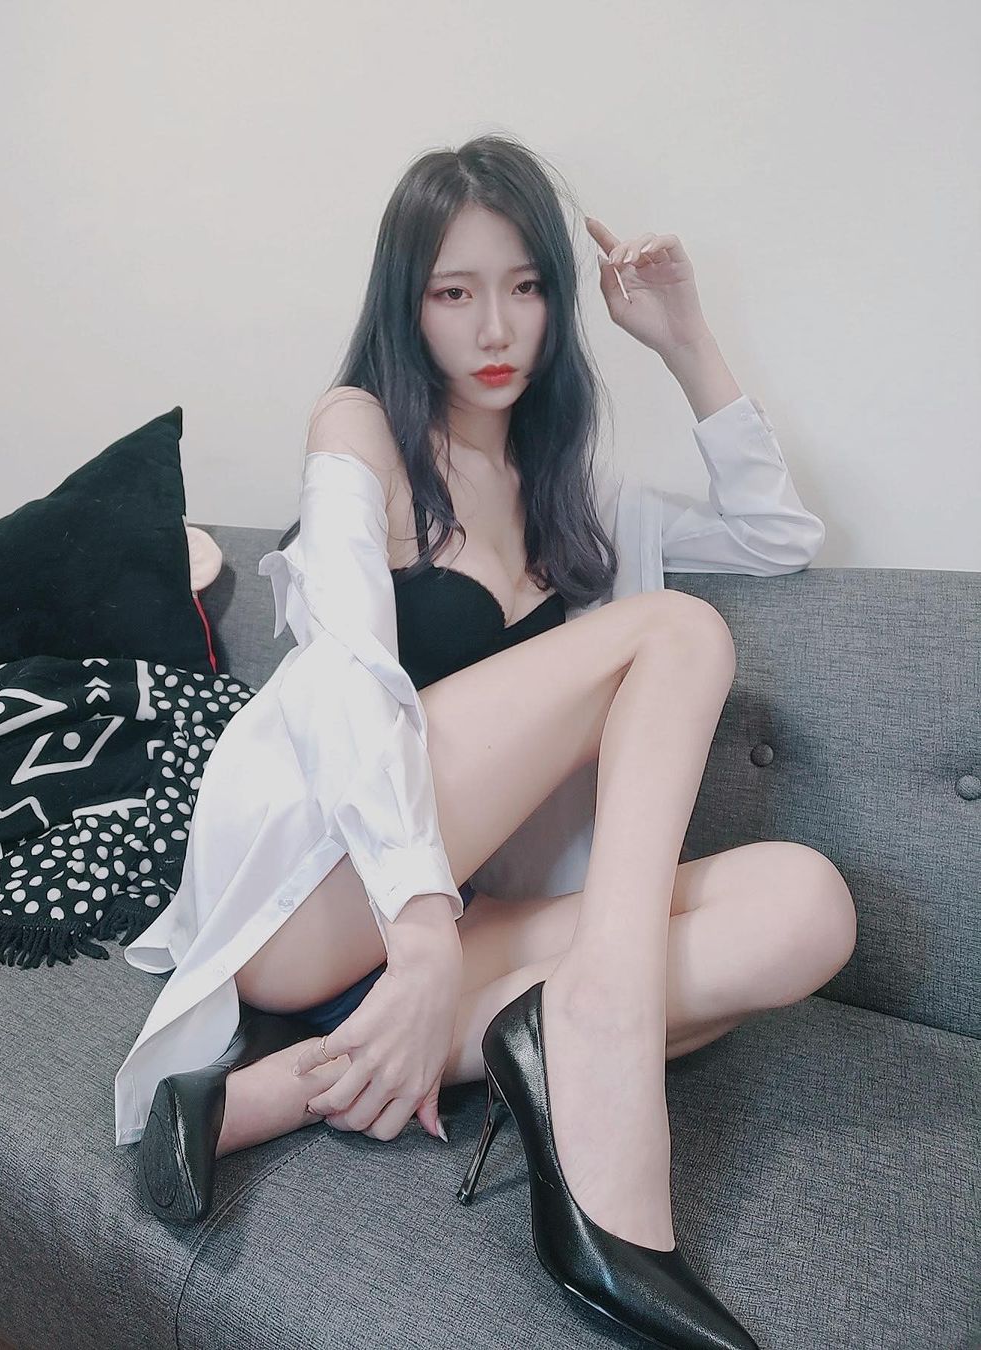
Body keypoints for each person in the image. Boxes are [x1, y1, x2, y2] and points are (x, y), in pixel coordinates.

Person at [115, 134, 855, 1348]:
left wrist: (683, 338)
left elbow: (778, 540)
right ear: (407, 307)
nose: (496, 328)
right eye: (454, 292)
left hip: (458, 924)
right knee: (678, 632)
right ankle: (604, 1092)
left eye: (525, 288)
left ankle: (280, 1093)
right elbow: (349, 673)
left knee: (807, 908)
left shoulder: (577, 494)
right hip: (325, 893)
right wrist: (418, 934)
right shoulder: (362, 430)